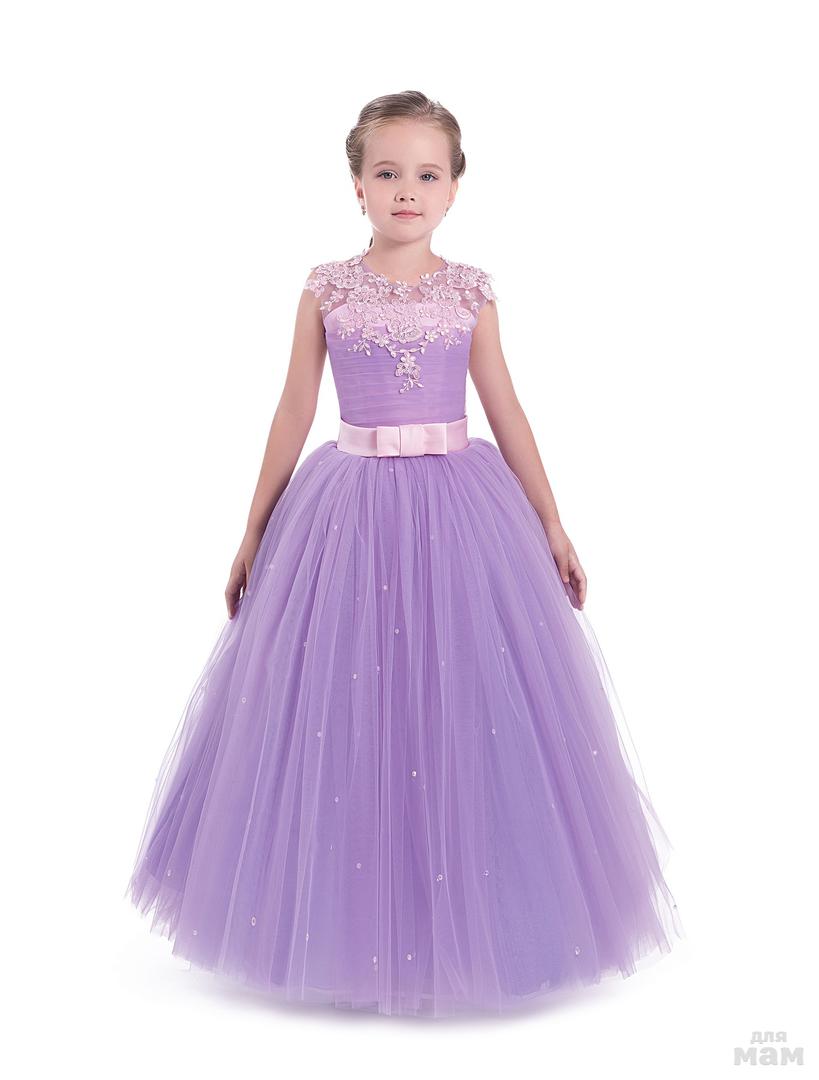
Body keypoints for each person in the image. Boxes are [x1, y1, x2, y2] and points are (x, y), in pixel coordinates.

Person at [125, 89, 683, 1019]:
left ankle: (476, 921)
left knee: (461, 706)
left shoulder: (471, 291)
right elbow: (293, 409)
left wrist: (551, 522)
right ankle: (349, 926)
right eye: (387, 172)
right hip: (344, 514)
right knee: (342, 710)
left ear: (455, 188)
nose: (407, 190)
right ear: (356, 185)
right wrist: (252, 528)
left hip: (462, 513)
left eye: (427, 174)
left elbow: (505, 407)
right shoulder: (325, 288)